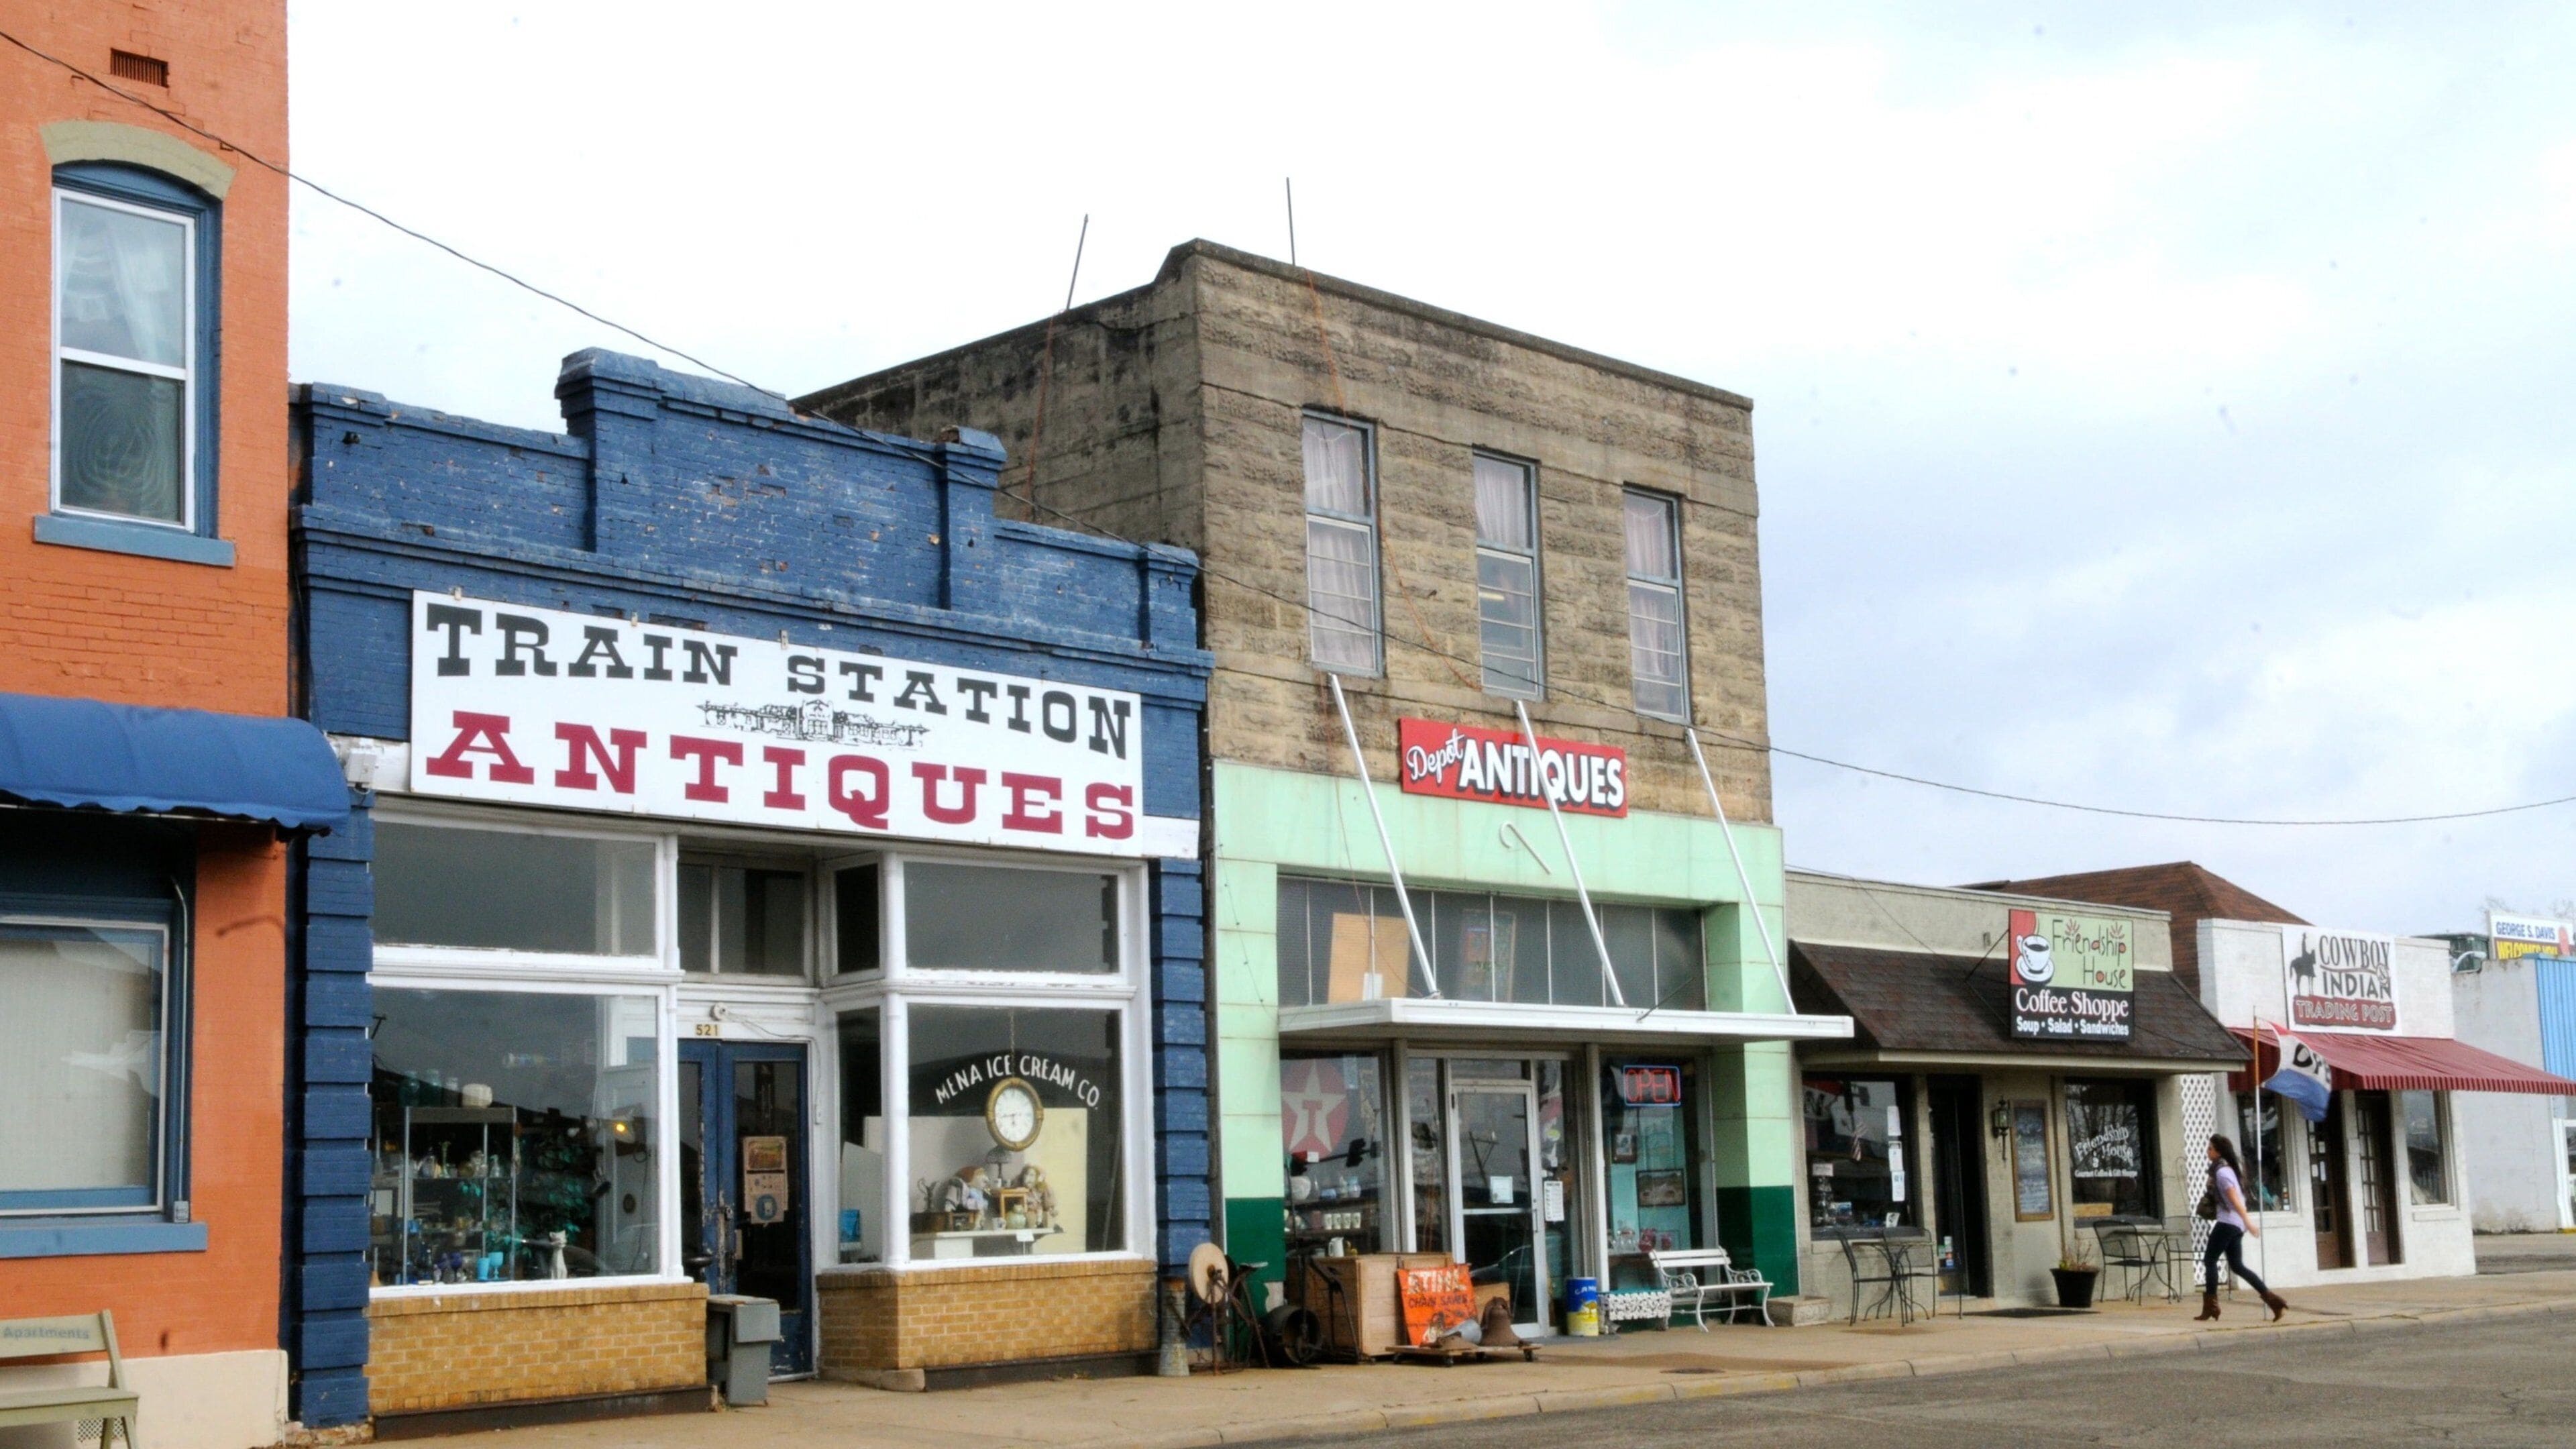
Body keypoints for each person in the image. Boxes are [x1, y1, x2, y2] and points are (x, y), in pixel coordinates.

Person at [2199, 1134, 2288, 1321]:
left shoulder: (2222, 1173)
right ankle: (2274, 1301)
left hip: (2228, 1223)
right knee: (2237, 1266)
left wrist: (2248, 1221)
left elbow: (2234, 1199)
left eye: (2210, 1148)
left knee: (2210, 1260)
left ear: (2218, 1152)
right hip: (2236, 1224)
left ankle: (2211, 1306)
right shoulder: (2226, 1170)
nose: (2208, 1151)